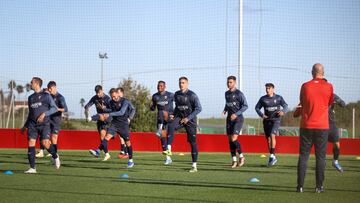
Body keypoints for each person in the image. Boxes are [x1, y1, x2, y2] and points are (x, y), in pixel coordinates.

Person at [295, 63, 334, 193]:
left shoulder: (305, 86)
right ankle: (319, 187)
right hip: (322, 127)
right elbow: (329, 103)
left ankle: (300, 186)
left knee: (304, 156)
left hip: (306, 125)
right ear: (323, 72)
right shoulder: (329, 87)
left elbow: (302, 102)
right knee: (321, 157)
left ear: (312, 72)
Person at [20, 77, 60, 174]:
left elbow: (55, 108)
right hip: (32, 125)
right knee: (31, 143)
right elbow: (30, 113)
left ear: (37, 84)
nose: (30, 83)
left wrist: (44, 114)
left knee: (45, 143)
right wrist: (25, 126)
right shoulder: (30, 98)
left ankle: (55, 156)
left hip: (45, 125)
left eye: (32, 82)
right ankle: (32, 168)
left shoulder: (46, 96)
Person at [167, 77, 202, 172]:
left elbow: (199, 108)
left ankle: (194, 165)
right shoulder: (177, 94)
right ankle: (169, 149)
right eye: (180, 83)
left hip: (190, 121)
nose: (181, 84)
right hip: (180, 118)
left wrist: (188, 118)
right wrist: (173, 115)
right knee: (170, 125)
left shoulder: (192, 95)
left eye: (183, 83)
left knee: (192, 143)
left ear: (187, 84)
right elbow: (177, 108)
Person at [95, 88, 136, 166]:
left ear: (118, 94)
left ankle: (131, 160)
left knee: (128, 143)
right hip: (114, 124)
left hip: (123, 125)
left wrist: (129, 118)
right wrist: (104, 109)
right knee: (106, 138)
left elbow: (121, 112)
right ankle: (100, 151)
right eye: (112, 97)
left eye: (114, 96)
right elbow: (111, 110)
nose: (113, 98)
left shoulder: (125, 101)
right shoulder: (111, 102)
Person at [255, 83, 288, 166]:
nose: (267, 90)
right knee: (268, 139)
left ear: (273, 89)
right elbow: (257, 108)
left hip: (276, 120)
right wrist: (262, 115)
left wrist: (283, 111)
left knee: (272, 135)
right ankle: (273, 157)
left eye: (269, 88)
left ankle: (272, 156)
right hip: (266, 121)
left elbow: (285, 105)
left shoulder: (278, 98)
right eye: (266, 88)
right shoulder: (263, 99)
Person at [36, 81, 68, 158]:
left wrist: (57, 109)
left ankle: (54, 153)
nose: (49, 90)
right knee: (43, 134)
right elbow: (43, 90)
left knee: (54, 137)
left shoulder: (60, 97)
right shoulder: (48, 96)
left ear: (54, 88)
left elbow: (66, 109)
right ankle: (41, 152)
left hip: (56, 120)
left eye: (51, 89)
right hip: (47, 118)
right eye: (49, 89)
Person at [222, 76, 248, 168]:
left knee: (233, 138)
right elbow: (227, 103)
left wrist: (236, 114)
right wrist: (225, 109)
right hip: (229, 119)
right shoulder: (226, 93)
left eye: (231, 82)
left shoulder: (239, 94)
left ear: (235, 83)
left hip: (238, 119)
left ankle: (241, 156)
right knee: (230, 140)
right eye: (228, 82)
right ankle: (234, 160)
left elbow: (245, 106)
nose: (229, 84)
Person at [150, 81, 174, 165]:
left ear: (164, 87)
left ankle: (169, 147)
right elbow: (153, 108)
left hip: (169, 117)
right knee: (163, 137)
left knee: (168, 133)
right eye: (158, 86)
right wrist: (151, 107)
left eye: (161, 86)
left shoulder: (171, 95)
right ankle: (168, 158)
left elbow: (178, 103)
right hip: (161, 119)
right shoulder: (155, 96)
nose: (159, 87)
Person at [86, 85, 111, 158]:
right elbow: (88, 105)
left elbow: (112, 110)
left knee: (100, 115)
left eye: (99, 92)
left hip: (107, 119)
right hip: (99, 119)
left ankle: (91, 118)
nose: (98, 94)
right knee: (102, 138)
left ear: (102, 90)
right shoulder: (95, 98)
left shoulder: (107, 99)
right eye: (96, 92)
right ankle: (106, 153)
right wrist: (87, 108)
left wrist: (105, 109)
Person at [116, 87, 135, 159]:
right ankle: (124, 152)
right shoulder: (115, 101)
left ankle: (125, 152)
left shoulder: (126, 101)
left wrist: (129, 118)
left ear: (122, 93)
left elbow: (133, 109)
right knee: (121, 137)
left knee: (124, 137)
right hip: (118, 122)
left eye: (118, 92)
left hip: (124, 122)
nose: (117, 94)